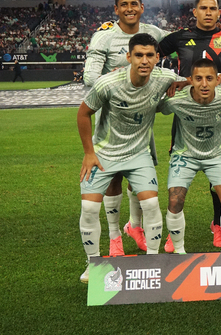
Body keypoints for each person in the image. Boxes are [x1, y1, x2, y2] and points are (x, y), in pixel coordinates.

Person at [77, 33, 178, 283]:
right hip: (105, 153)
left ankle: (154, 261)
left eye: (149, 55)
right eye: (139, 55)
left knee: (152, 204)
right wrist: (89, 153)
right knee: (89, 208)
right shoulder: (108, 83)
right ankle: (93, 264)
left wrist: (181, 85)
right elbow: (83, 113)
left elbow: (188, 83)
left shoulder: (165, 78)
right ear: (128, 57)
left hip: (139, 153)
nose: (144, 60)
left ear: (157, 58)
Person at [83, 0, 170, 256]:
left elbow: (182, 45)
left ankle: (135, 225)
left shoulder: (154, 33)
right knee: (113, 178)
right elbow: (89, 78)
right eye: (124, 4)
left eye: (135, 3)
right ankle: (113, 237)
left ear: (142, 7)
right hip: (111, 114)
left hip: (142, 115)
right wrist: (122, 88)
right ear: (116, 9)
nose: (130, 8)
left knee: (139, 172)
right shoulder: (104, 36)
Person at [159, 0, 221, 248]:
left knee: (217, 176)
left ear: (219, 12)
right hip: (185, 109)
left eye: (213, 8)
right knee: (178, 179)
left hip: (216, 109)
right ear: (195, 12)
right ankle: (173, 232)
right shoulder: (179, 37)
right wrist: (171, 79)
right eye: (204, 8)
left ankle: (219, 224)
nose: (209, 12)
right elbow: (150, 53)